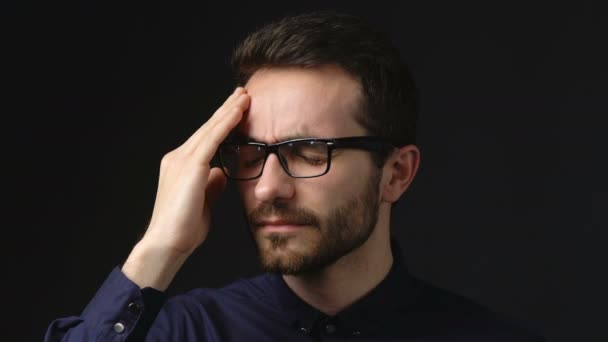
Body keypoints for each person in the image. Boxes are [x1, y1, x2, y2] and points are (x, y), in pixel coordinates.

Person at [45, 12, 545, 341]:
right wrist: (158, 248)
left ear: (396, 173)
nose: (267, 188)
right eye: (251, 153)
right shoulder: (178, 332)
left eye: (308, 152)